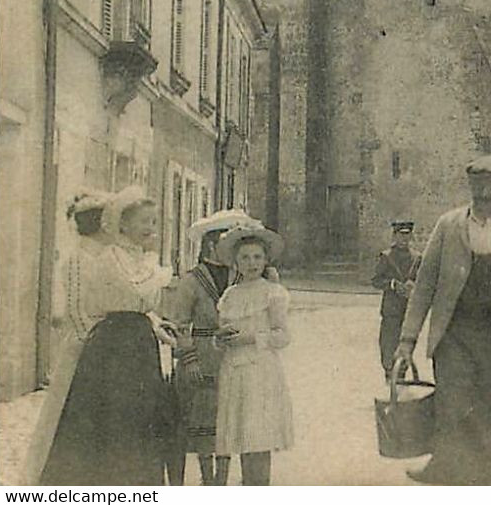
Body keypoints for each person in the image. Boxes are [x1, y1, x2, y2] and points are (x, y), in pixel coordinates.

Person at [394, 156, 491, 485]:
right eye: (479, 180)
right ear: (469, 184)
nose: (486, 188)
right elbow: (424, 287)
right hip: (455, 336)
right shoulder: (448, 225)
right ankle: (448, 474)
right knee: (454, 409)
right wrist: (407, 341)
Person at [25, 188, 179, 484]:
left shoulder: (140, 259)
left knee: (141, 416)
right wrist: (157, 269)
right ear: (121, 225)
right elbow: (133, 290)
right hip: (115, 345)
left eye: (154, 223)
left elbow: (142, 304)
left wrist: (155, 326)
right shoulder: (113, 256)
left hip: (139, 343)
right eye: (144, 222)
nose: (151, 229)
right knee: (113, 418)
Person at [165, 208, 253, 485]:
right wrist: (189, 359)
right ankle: (207, 479)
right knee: (202, 420)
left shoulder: (239, 279)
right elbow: (178, 323)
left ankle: (222, 480)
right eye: (226, 245)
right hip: (201, 357)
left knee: (228, 419)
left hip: (233, 356)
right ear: (212, 245)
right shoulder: (192, 280)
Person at [213, 223, 293, 485]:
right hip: (234, 371)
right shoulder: (229, 295)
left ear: (266, 260)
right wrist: (220, 339)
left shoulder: (273, 293)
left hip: (261, 372)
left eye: (257, 257)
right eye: (245, 258)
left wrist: (251, 338)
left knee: (258, 435)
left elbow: (282, 336)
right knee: (240, 435)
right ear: (235, 262)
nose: (251, 263)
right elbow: (222, 334)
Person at [371, 220, 418, 375]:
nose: (404, 239)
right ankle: (389, 374)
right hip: (391, 309)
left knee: (406, 343)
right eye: (400, 235)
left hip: (409, 309)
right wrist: (392, 284)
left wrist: (413, 285)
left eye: (407, 235)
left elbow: (424, 280)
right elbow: (376, 280)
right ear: (394, 236)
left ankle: (402, 373)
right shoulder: (386, 257)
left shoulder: (417, 258)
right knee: (389, 343)